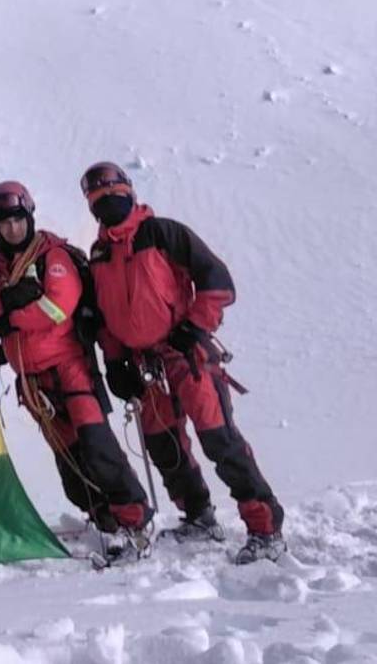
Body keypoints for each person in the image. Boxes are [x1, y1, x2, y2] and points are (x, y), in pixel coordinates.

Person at [81, 161, 285, 564]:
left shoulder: (164, 233)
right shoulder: (100, 253)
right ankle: (199, 516)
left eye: (115, 194)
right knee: (165, 445)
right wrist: (116, 361)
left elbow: (217, 281)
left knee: (219, 439)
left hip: (186, 356)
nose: (109, 203)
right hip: (144, 365)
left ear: (130, 193)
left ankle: (265, 528)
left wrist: (193, 328)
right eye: (99, 199)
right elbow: (106, 316)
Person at [0, 181, 153, 560]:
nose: (12, 229)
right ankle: (105, 521)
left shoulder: (52, 257)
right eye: (5, 223)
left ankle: (133, 521)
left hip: (70, 370)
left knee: (98, 448)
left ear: (30, 217)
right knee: (70, 465)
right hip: (34, 382)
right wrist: (7, 299)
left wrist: (9, 314)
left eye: (18, 220)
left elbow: (57, 308)